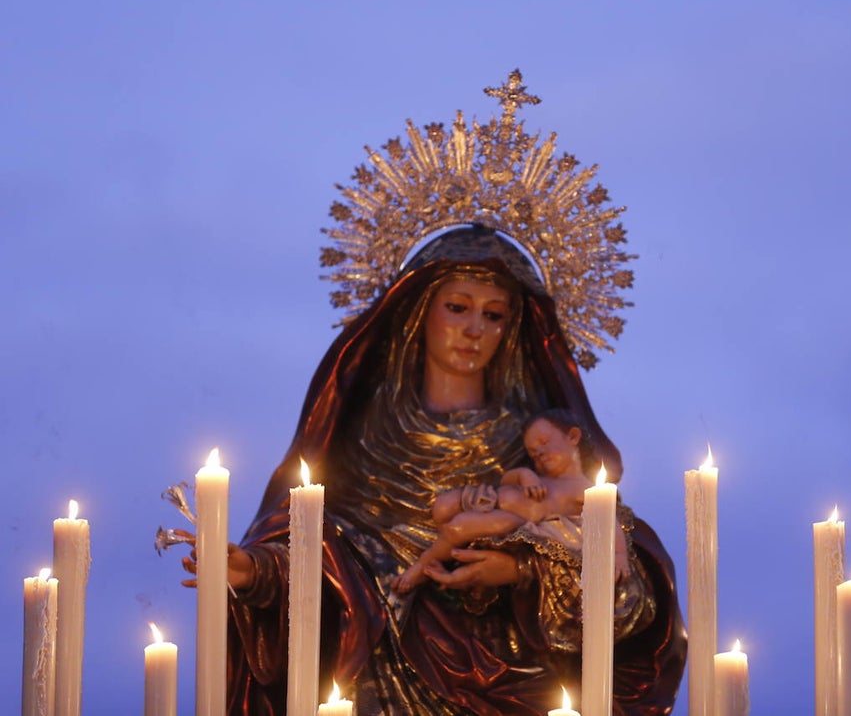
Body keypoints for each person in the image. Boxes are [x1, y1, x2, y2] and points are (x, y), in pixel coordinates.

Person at [182, 225, 686, 715]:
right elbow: (325, 556)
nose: (474, 330)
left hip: (513, 675)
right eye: (458, 307)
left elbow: (612, 558)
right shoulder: (359, 439)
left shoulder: (536, 445)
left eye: (494, 315)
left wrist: (521, 570)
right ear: (419, 312)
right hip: (379, 671)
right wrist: (256, 574)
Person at [395, 408, 631, 594]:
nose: (537, 452)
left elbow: (608, 523)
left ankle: (420, 568)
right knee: (442, 506)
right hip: (488, 499)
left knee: (459, 526)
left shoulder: (586, 490)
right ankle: (442, 552)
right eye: (532, 451)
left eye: (544, 442)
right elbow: (508, 479)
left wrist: (619, 557)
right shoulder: (536, 477)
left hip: (513, 520)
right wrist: (525, 475)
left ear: (573, 436)